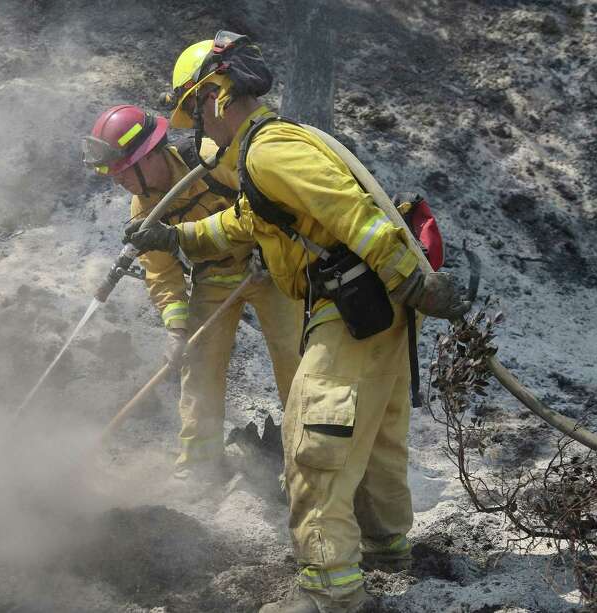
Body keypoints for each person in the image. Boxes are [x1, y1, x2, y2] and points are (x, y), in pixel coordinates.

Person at [124, 32, 470, 612]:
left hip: (353, 304)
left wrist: (411, 277)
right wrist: (173, 236)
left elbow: (351, 211)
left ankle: (328, 590)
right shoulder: (265, 155)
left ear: (215, 95)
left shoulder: (268, 151)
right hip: (375, 307)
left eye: (195, 114)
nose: (197, 131)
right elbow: (241, 223)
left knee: (316, 440)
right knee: (377, 433)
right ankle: (386, 548)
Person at [83, 104, 302, 480]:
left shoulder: (210, 160)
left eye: (122, 173)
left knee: (294, 360)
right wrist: (176, 330)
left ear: (149, 156)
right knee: (199, 367)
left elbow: (269, 200)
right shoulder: (145, 210)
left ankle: (304, 462)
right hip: (214, 279)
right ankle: (201, 465)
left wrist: (271, 249)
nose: (119, 183)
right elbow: (162, 274)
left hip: (269, 273)